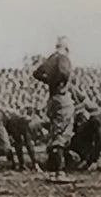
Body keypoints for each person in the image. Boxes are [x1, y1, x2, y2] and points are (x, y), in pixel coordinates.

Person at [32, 36, 75, 181]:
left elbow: (36, 73)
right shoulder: (63, 59)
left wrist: (50, 82)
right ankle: (59, 172)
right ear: (66, 47)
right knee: (62, 134)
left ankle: (52, 172)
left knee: (54, 132)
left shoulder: (50, 59)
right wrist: (61, 85)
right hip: (62, 98)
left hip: (52, 98)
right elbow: (64, 73)